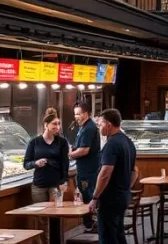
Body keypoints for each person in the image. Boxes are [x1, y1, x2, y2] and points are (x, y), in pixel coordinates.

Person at [90, 109, 138, 244]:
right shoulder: (128, 142)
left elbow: (105, 173)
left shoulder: (111, 144)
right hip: (123, 196)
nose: (99, 128)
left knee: (108, 237)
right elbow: (135, 171)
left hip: (110, 199)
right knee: (118, 234)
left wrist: (95, 197)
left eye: (100, 124)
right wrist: (125, 188)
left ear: (108, 124)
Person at [24, 113, 71, 208]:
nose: (58, 127)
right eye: (54, 124)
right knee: (40, 213)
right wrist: (35, 163)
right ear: (46, 125)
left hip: (56, 185)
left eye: (59, 124)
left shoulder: (62, 142)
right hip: (39, 185)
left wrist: (64, 181)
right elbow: (26, 164)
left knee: (56, 212)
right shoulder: (34, 142)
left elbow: (65, 163)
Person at [70, 102, 102, 232]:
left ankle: (93, 225)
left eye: (78, 114)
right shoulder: (83, 127)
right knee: (87, 196)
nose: (76, 117)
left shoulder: (89, 128)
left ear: (86, 113)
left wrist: (69, 155)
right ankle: (90, 224)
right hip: (85, 170)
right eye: (75, 114)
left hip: (89, 171)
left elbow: (84, 150)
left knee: (89, 197)